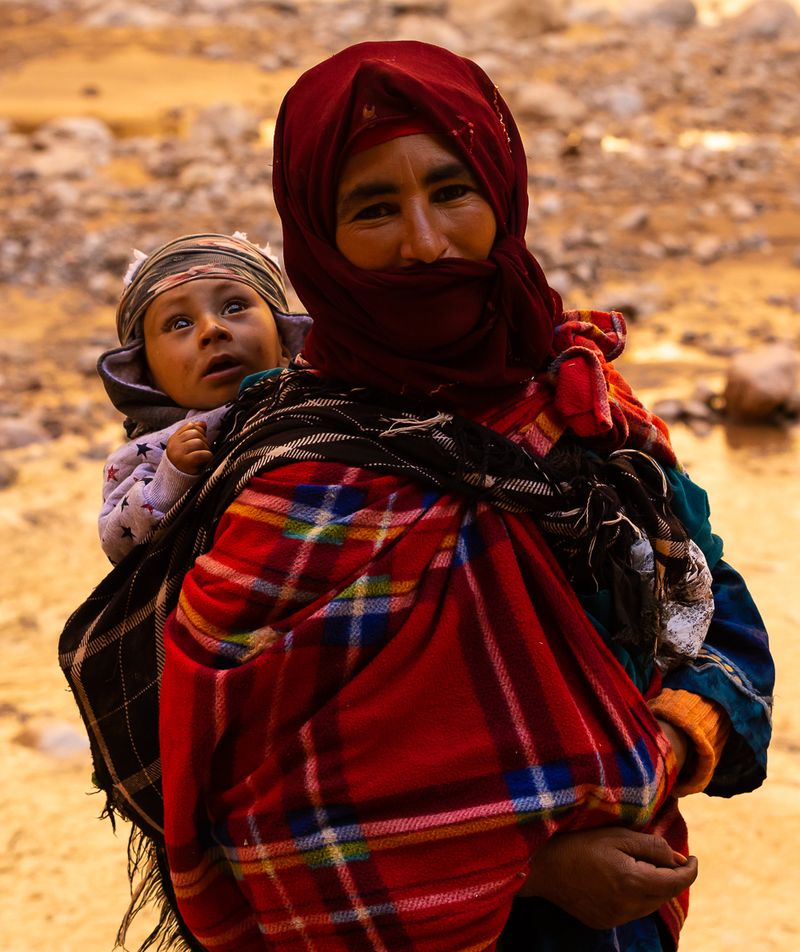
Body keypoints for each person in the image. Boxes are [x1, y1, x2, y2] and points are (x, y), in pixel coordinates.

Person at [60, 42, 772, 952]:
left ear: (502, 191)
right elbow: (244, 808)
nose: (425, 242)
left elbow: (721, 621)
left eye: (451, 192)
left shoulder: (584, 409)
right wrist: (532, 867)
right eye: (374, 209)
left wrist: (666, 751)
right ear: (319, 235)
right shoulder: (288, 472)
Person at [96, 232, 311, 563]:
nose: (212, 329)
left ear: (284, 342)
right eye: (180, 323)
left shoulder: (325, 401)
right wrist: (170, 480)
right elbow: (116, 543)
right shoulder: (149, 455)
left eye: (234, 306)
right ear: (148, 376)